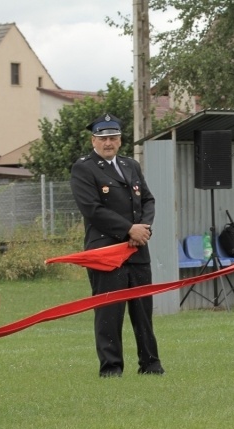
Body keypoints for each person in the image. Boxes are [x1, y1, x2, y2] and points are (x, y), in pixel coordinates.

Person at [70, 113, 164, 377]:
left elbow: (148, 200)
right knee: (109, 312)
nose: (108, 143)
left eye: (112, 138)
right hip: (106, 252)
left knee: (143, 310)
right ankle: (111, 368)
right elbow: (92, 209)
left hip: (137, 249)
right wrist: (128, 229)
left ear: (120, 140)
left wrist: (143, 229)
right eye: (102, 139)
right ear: (93, 141)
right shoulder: (84, 168)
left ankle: (151, 364)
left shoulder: (130, 165)